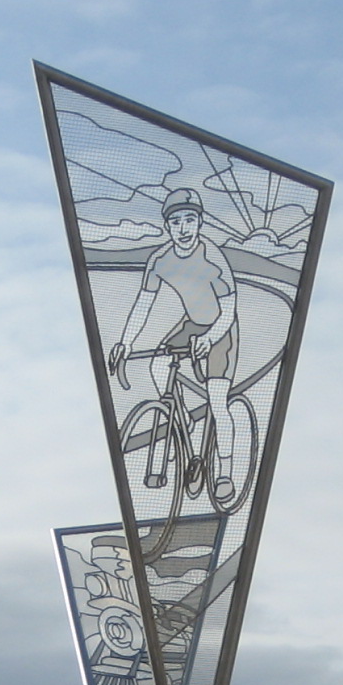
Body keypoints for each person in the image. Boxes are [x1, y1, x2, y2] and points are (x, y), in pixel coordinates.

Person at [108, 186, 245, 506]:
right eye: (176, 222)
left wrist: (210, 339)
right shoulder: (160, 260)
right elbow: (143, 305)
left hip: (220, 329)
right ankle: (181, 417)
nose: (183, 228)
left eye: (190, 220)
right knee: (158, 363)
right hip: (191, 324)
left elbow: (229, 310)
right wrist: (125, 344)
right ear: (167, 227)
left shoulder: (213, 257)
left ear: (199, 223)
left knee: (218, 402)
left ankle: (224, 474)